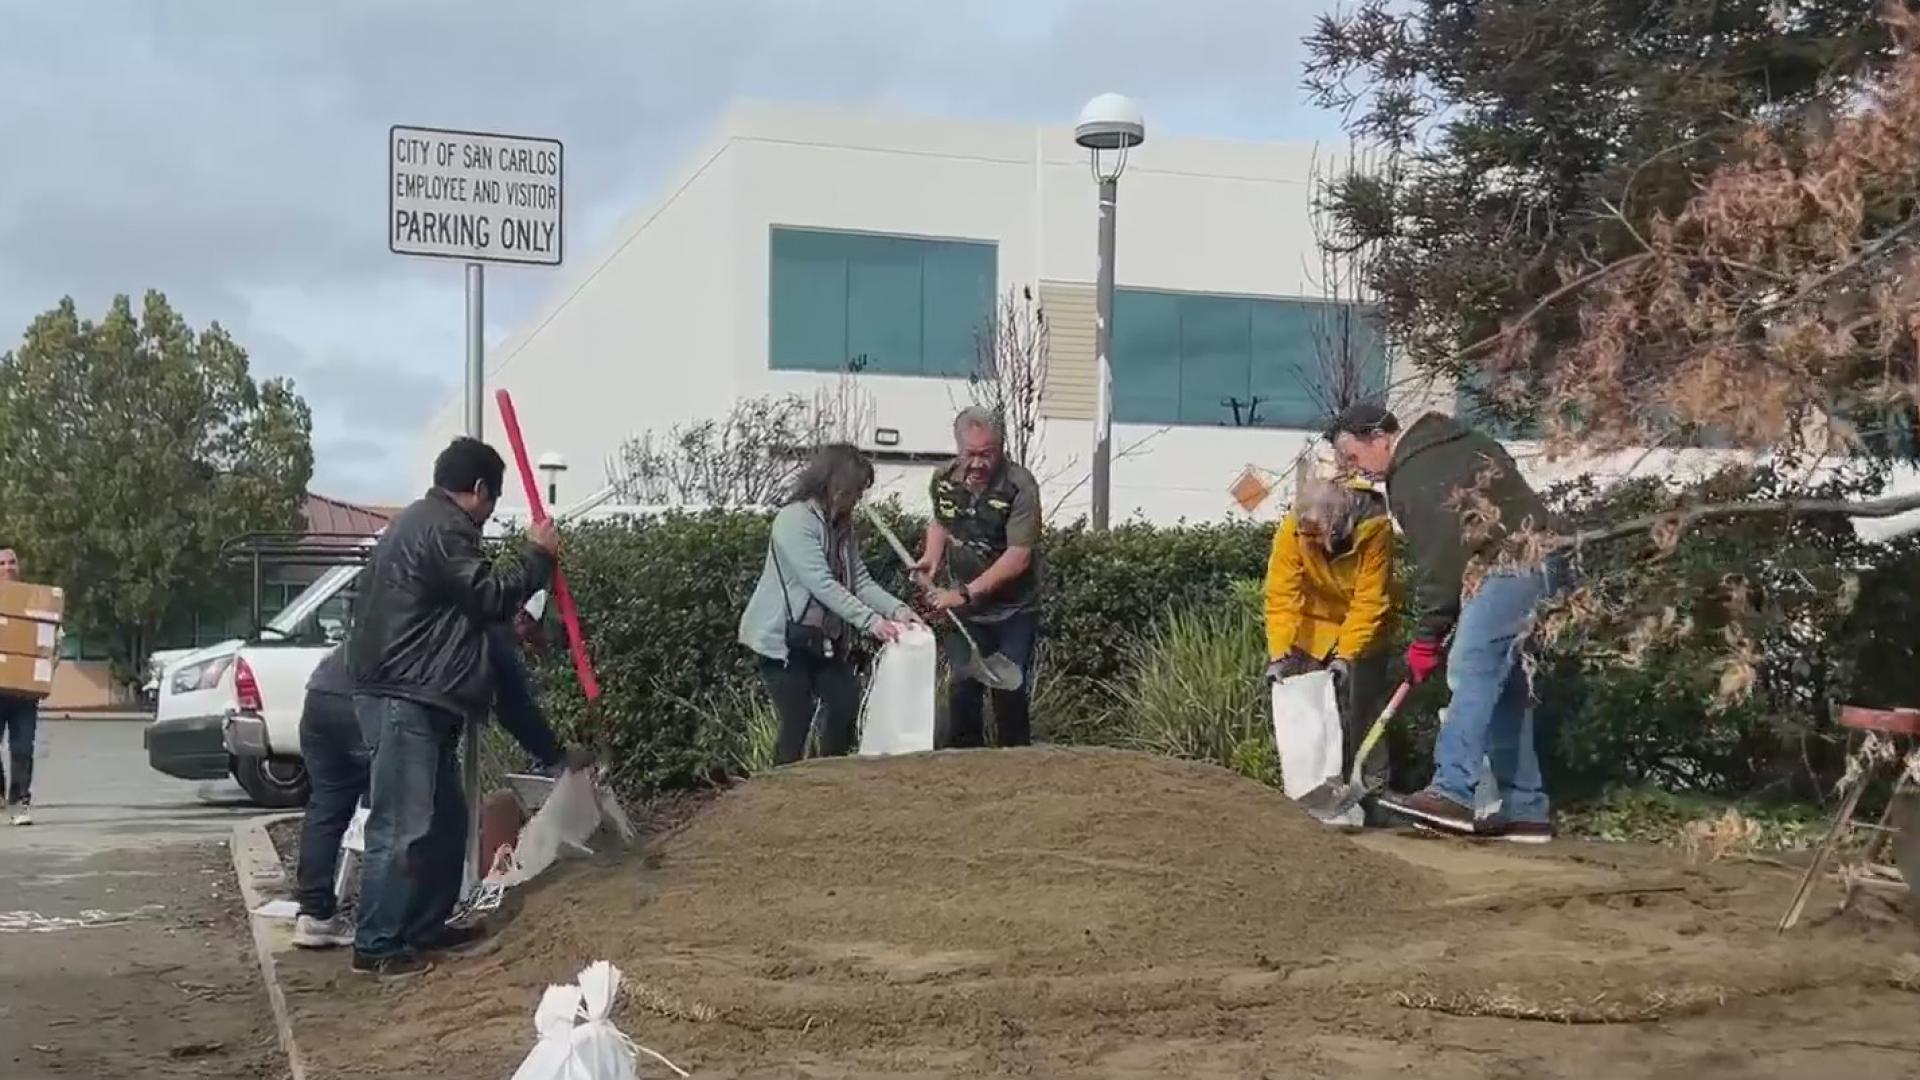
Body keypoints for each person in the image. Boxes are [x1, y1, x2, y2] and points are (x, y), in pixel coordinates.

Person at [346, 437, 558, 977]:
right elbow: (486, 594)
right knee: (402, 825)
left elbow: (463, 607)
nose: (489, 518)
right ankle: (377, 944)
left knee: (444, 820)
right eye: (492, 502)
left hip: (413, 694)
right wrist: (538, 558)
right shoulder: (442, 528)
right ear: (480, 490)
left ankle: (421, 927)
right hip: (405, 696)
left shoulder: (423, 525)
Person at [1328, 403, 1567, 842]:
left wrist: (1427, 638)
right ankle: (1525, 809)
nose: (1355, 470)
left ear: (1380, 438)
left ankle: (1452, 792)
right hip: (1542, 556)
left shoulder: (1413, 475)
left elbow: (1440, 565)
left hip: (1512, 564)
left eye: (1353, 458)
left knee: (1469, 669)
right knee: (1504, 684)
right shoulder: (1458, 442)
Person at [290, 614, 584, 950]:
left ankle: (314, 916)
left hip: (323, 695)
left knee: (328, 806)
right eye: (530, 634)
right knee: (439, 817)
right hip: (379, 707)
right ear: (522, 617)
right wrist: (557, 756)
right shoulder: (488, 631)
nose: (526, 644)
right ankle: (417, 928)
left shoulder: (434, 612)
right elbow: (514, 708)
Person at [740, 444, 916, 766]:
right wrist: (872, 622)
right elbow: (821, 583)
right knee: (797, 718)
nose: (860, 498)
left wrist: (896, 610)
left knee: (846, 703)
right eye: (857, 489)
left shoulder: (843, 527)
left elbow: (858, 580)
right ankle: (781, 791)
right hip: (783, 641)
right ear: (837, 485)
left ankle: (829, 777)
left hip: (821, 640)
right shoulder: (794, 521)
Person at [1263, 468, 1397, 810]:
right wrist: (1280, 654)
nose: (1310, 538)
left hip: (1363, 628)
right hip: (1311, 629)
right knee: (1306, 716)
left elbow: (1369, 600)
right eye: (1305, 531)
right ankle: (1310, 795)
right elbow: (1282, 593)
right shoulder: (1295, 527)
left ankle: (1373, 796)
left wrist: (1347, 654)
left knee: (1361, 712)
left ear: (1338, 520)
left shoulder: (1375, 529)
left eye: (1316, 532)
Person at [913, 407, 1043, 749]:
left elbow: (1019, 556)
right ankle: (962, 765)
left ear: (1001, 448)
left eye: (988, 454)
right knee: (962, 687)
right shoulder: (944, 479)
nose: (978, 464)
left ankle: (1016, 765)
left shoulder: (1020, 486)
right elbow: (942, 520)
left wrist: (965, 594)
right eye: (971, 454)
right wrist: (931, 558)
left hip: (1012, 611)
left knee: (1009, 689)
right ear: (959, 449)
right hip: (966, 614)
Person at [0, 546, 40, 826]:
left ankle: (20, 801)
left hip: (24, 691)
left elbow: (51, 634)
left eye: (12, 562)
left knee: (22, 747)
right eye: (1, 563)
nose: (7, 567)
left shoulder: (35, 600)